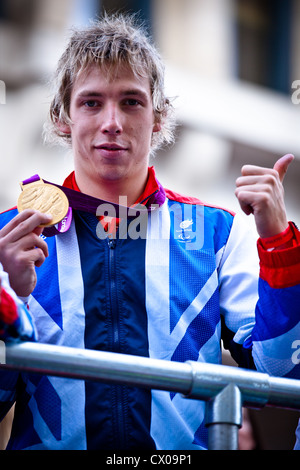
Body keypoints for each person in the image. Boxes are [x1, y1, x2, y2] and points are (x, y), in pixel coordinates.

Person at [0, 13, 299, 450]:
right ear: (62, 117)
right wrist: (13, 295)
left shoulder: (217, 231)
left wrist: (277, 244)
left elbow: (283, 376)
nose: (113, 122)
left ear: (159, 117)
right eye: (91, 102)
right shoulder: (12, 235)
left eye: (131, 102)